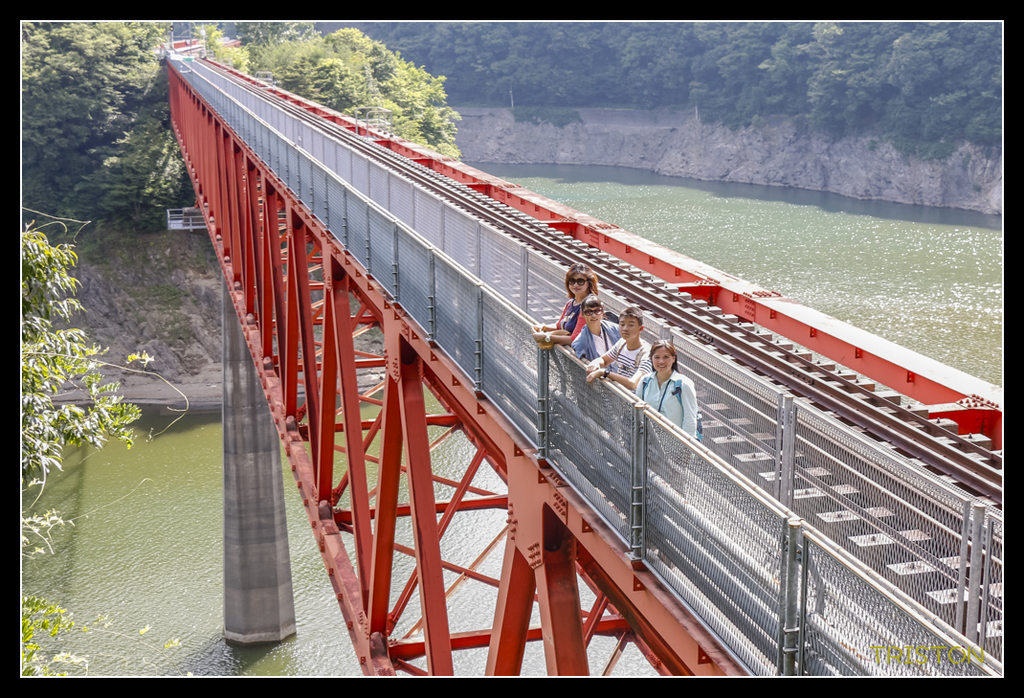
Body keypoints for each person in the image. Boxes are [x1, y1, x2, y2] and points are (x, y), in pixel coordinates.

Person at [635, 340, 699, 438]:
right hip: (649, 443)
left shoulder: (683, 384)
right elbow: (637, 413)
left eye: (666, 357)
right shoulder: (645, 381)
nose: (661, 361)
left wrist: (686, 448)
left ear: (674, 359)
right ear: (651, 359)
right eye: (657, 357)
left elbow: (690, 418)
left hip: (674, 445)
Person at [585, 305, 652, 391]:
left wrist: (604, 373)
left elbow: (633, 383)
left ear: (641, 328)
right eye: (622, 324)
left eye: (631, 325)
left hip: (636, 401)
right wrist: (595, 363)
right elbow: (604, 360)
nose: (625, 328)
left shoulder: (647, 354)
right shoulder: (622, 343)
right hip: (621, 399)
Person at [532, 264, 599, 349]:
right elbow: (559, 326)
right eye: (572, 281)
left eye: (580, 281)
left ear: (589, 282)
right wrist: (543, 327)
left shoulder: (589, 306)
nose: (575, 285)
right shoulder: (570, 303)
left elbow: (575, 339)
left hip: (583, 357)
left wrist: (547, 338)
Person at [570, 295, 621, 365]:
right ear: (582, 315)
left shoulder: (617, 329)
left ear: (602, 312)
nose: (594, 315)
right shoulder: (580, 343)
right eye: (589, 312)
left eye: (597, 311)